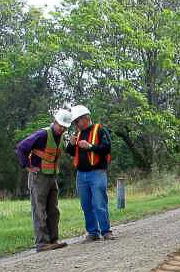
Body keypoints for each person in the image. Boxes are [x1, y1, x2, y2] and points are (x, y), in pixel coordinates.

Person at [15, 109, 73, 252]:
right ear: (55, 121)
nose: (62, 129)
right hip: (39, 177)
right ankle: (42, 243)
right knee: (39, 210)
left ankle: (53, 239)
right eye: (61, 126)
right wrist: (27, 166)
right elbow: (21, 148)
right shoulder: (42, 134)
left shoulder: (61, 137)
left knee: (53, 210)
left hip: (51, 176)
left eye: (65, 127)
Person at [67, 104, 114, 241]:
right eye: (74, 122)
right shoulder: (77, 134)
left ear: (86, 118)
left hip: (97, 173)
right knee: (86, 205)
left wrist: (90, 147)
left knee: (99, 203)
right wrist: (71, 144)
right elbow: (70, 152)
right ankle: (93, 232)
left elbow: (107, 147)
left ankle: (106, 231)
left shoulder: (100, 130)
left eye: (77, 121)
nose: (75, 124)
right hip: (81, 175)